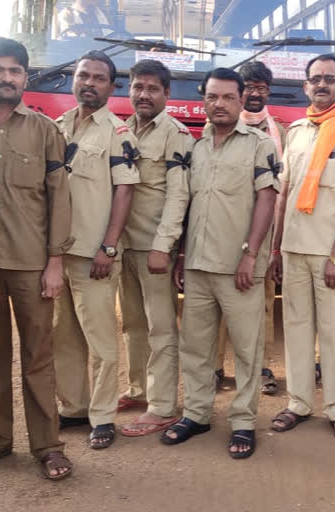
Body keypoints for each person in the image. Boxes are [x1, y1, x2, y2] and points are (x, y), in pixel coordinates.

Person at [0, 36, 74, 481]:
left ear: (25, 77)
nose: (7, 77)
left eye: (16, 71)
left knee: (39, 357)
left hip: (31, 265)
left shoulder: (46, 131)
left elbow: (58, 199)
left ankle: (48, 446)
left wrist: (55, 261)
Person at [162, 68, 279, 459]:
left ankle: (244, 422)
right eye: (213, 97)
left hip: (239, 268)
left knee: (247, 349)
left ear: (242, 99)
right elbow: (189, 203)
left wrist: (250, 253)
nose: (220, 104)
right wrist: (180, 254)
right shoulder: (196, 148)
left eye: (229, 97)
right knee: (195, 346)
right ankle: (196, 414)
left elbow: (267, 199)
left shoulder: (260, 144)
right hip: (197, 265)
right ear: (204, 100)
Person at [268, 54, 335, 442]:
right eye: (315, 79)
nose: (322, 85)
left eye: (330, 79)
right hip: (295, 249)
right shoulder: (296, 131)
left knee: (334, 333)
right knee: (297, 330)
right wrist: (276, 249)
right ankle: (298, 403)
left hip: (333, 253)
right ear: (305, 86)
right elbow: (283, 194)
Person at [53, 50, 139, 450]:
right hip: (58, 254)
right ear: (73, 78)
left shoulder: (118, 133)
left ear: (111, 86)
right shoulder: (56, 127)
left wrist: (109, 245)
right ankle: (74, 408)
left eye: (99, 78)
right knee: (65, 336)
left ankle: (103, 416)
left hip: (94, 256)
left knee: (102, 341)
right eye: (83, 75)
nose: (89, 82)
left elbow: (125, 190)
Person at [117, 59, 193, 435]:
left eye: (152, 89)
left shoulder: (176, 133)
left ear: (166, 93)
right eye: (137, 87)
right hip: (123, 245)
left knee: (161, 326)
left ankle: (162, 405)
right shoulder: (123, 129)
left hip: (153, 248)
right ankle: (139, 390)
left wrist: (165, 247)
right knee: (132, 323)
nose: (143, 94)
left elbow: (179, 195)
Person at [214, 60, 285, 395]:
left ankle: (262, 367)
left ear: (268, 92)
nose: (255, 93)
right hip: (221, 231)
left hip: (264, 232)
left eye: (261, 88)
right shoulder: (219, 127)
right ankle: (215, 368)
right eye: (250, 87)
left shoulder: (281, 132)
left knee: (263, 303)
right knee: (217, 304)